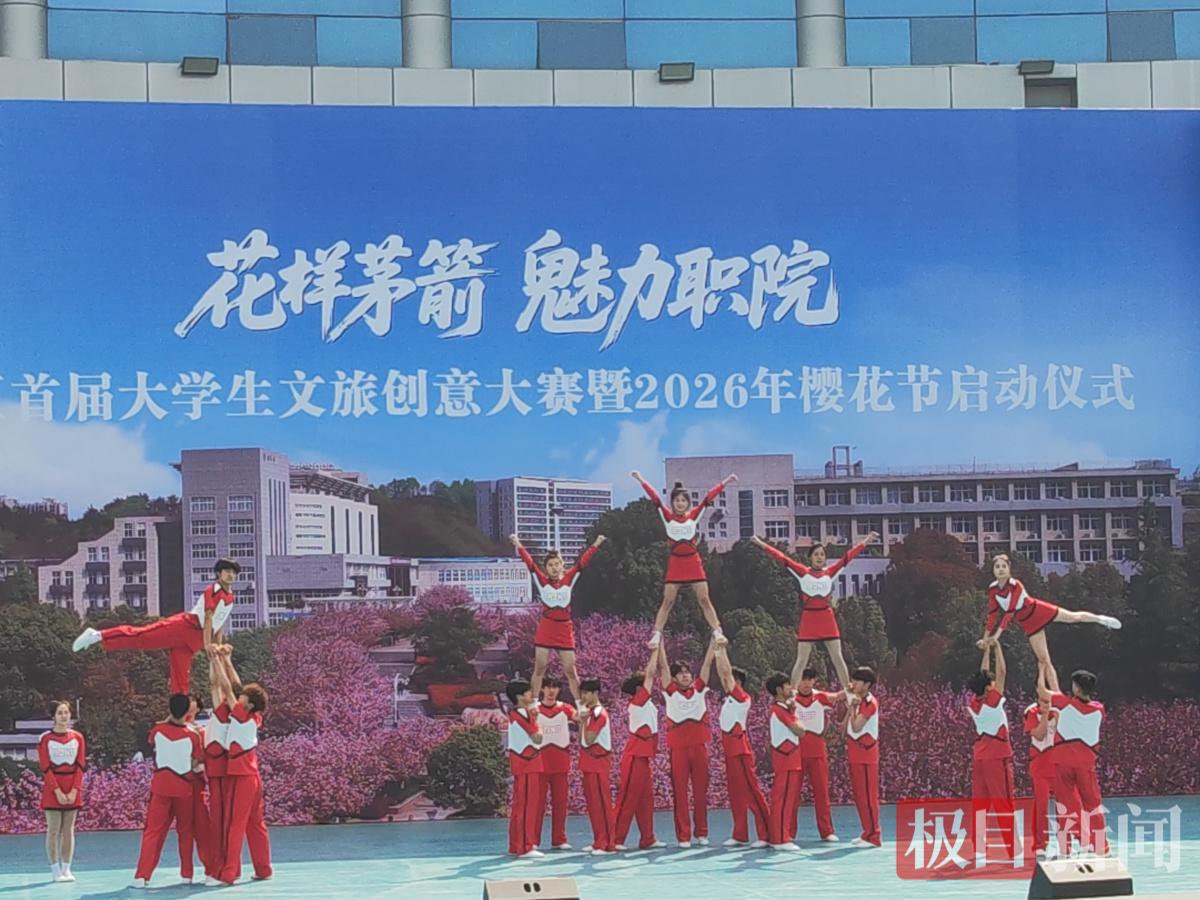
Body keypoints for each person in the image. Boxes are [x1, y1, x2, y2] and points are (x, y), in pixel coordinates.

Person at [72, 559, 240, 693]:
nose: (231, 575)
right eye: (227, 571)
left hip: (193, 641)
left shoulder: (231, 597)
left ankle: (180, 716)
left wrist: (219, 646)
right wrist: (208, 645)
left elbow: (219, 623)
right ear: (219, 573)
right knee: (142, 636)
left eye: (233, 572)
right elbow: (209, 617)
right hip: (184, 628)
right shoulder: (213, 590)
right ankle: (98, 635)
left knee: (181, 678)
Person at [751, 533, 878, 691]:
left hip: (827, 618)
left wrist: (865, 541)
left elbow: (848, 557)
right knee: (801, 659)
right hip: (809, 618)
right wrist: (760, 543)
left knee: (838, 658)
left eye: (822, 554)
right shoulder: (802, 572)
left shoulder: (830, 572)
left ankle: (848, 691)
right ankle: (793, 694)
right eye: (816, 554)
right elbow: (781, 558)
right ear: (810, 557)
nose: (819, 557)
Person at [977, 554, 1120, 692]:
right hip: (1028, 623)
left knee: (1073, 617)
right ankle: (1057, 694)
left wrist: (996, 636)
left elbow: (1010, 612)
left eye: (1004, 566)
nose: (1001, 569)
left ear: (1009, 568)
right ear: (993, 570)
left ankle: (1100, 619)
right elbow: (993, 614)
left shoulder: (1016, 585)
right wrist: (985, 638)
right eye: (997, 567)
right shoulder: (993, 589)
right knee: (1044, 659)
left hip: (1038, 610)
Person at [631, 469, 736, 649]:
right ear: (672, 503)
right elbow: (655, 498)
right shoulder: (667, 516)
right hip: (676, 562)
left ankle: (717, 630)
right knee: (668, 600)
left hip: (693, 562)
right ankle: (656, 633)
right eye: (677, 500)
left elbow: (708, 497)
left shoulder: (694, 515)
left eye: (683, 500)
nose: (680, 504)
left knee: (704, 598)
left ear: (687, 503)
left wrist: (726, 481)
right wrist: (640, 479)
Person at [512, 533, 606, 701]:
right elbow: (530, 563)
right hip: (547, 627)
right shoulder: (542, 580)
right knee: (540, 667)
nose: (554, 568)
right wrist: (517, 543)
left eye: (557, 564)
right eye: (550, 565)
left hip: (564, 628)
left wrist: (596, 544)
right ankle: (534, 703)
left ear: (562, 565)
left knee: (570, 670)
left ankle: (580, 704)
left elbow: (582, 563)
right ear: (546, 568)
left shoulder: (569, 579)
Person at [211, 645, 272, 885]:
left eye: (244, 697)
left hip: (242, 776)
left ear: (249, 705)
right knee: (256, 824)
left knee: (235, 824)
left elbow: (228, 689)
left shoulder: (242, 716)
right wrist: (227, 659)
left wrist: (216, 659)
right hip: (252, 776)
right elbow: (236, 688)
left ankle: (229, 873)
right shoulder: (252, 716)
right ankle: (263, 869)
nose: (240, 697)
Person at [132, 693, 203, 888]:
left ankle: (142, 875)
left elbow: (152, 743)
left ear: (169, 709)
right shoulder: (193, 735)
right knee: (185, 831)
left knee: (152, 832)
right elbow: (196, 760)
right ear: (188, 711)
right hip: (184, 787)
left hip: (161, 787)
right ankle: (187, 874)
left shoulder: (157, 730)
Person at [1039, 669, 1109, 857]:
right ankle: (1100, 847)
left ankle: (1066, 850)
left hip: (1063, 761)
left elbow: (1044, 691)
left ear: (1076, 688)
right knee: (1093, 805)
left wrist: (1043, 667)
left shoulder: (1063, 703)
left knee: (1064, 805)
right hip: (1085, 763)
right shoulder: (1099, 709)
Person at [659, 640, 715, 847]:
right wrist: (659, 641)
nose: (685, 676)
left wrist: (714, 640)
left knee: (700, 792)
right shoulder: (671, 691)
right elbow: (663, 666)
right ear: (674, 678)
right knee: (680, 793)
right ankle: (683, 836)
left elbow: (707, 664)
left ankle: (702, 832)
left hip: (699, 748)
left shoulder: (699, 689)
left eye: (687, 673)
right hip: (679, 750)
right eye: (680, 673)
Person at [713, 643, 769, 848]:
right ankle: (740, 834)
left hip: (740, 751)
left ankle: (766, 833)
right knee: (735, 794)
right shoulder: (729, 700)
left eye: (729, 681)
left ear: (737, 683)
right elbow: (723, 672)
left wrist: (722, 648)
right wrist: (717, 652)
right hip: (729, 752)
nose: (724, 682)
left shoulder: (742, 698)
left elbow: (726, 673)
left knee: (751, 792)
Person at [614, 646, 665, 852]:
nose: (649, 685)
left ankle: (648, 838)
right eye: (644, 684)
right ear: (638, 689)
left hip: (644, 757)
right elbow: (650, 673)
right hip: (635, 756)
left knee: (645, 800)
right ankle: (615, 838)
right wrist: (655, 649)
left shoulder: (646, 703)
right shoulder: (638, 701)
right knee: (628, 799)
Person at [967, 641, 1015, 859]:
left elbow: (984, 674)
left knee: (980, 803)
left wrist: (986, 649)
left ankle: (979, 846)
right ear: (988, 688)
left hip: (980, 756)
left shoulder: (974, 702)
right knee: (1003, 801)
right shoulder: (993, 701)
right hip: (997, 756)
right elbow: (1002, 672)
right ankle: (1011, 848)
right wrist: (997, 647)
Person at [38, 700, 85, 884]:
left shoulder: (78, 737)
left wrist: (74, 790)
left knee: (68, 830)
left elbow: (80, 766)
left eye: (66, 712)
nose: (64, 716)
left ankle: (66, 867)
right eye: (60, 713)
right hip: (53, 788)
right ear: (53, 716)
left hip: (72, 786)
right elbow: (45, 767)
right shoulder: (45, 739)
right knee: (53, 829)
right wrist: (57, 791)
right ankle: (55, 869)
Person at [1025, 663, 1068, 859]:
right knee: (1041, 804)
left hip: (1058, 762)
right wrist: (1044, 715)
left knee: (1063, 804)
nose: (1045, 703)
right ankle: (1040, 844)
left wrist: (1047, 664)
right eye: (1042, 700)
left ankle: (1065, 845)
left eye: (1048, 700)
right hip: (1039, 763)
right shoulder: (1031, 712)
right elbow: (1039, 735)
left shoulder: (1060, 711)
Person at [793, 668, 839, 842]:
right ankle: (788, 832)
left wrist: (851, 688)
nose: (806, 683)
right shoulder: (790, 699)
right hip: (796, 751)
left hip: (817, 751)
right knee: (793, 795)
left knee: (822, 793)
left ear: (814, 681)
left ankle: (827, 831)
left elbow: (839, 696)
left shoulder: (820, 697)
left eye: (809, 679)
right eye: (803, 679)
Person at [533, 676, 576, 851]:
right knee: (538, 804)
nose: (551, 691)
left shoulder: (565, 708)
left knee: (560, 803)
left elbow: (578, 717)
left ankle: (559, 839)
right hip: (541, 762)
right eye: (548, 687)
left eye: (555, 687)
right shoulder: (535, 709)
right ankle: (533, 840)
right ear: (542, 689)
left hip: (561, 762)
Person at [504, 679, 545, 859]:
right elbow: (537, 738)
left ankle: (516, 845)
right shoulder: (521, 714)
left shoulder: (518, 713)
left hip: (526, 762)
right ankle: (525, 846)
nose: (532, 695)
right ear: (520, 696)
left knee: (521, 805)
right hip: (527, 763)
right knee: (527, 806)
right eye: (528, 692)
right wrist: (537, 720)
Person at [576, 678, 616, 855]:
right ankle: (598, 840)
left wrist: (584, 721)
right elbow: (581, 741)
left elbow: (590, 739)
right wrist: (582, 722)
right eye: (582, 693)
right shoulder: (589, 714)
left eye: (586, 693)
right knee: (593, 805)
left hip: (599, 762)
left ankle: (607, 843)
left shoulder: (600, 714)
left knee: (602, 804)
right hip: (588, 762)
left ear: (595, 694)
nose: (583, 696)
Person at [200, 655, 231, 884]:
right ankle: (218, 867)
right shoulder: (224, 713)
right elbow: (217, 685)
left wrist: (217, 659)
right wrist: (216, 659)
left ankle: (220, 869)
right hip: (214, 771)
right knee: (217, 823)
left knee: (221, 824)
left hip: (222, 773)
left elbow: (221, 685)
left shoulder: (230, 714)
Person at [766, 672, 804, 851]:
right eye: (788, 685)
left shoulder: (784, 709)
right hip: (785, 758)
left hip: (791, 758)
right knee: (782, 799)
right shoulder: (779, 710)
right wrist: (794, 714)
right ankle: (780, 838)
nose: (791, 688)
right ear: (779, 690)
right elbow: (800, 731)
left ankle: (782, 836)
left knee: (788, 799)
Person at [845, 666, 881, 848]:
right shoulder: (858, 700)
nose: (854, 684)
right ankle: (866, 832)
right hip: (855, 752)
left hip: (867, 753)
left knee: (868, 796)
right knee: (860, 795)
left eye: (857, 681)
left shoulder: (870, 703)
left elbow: (857, 726)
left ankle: (874, 836)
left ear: (867, 684)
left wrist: (852, 709)